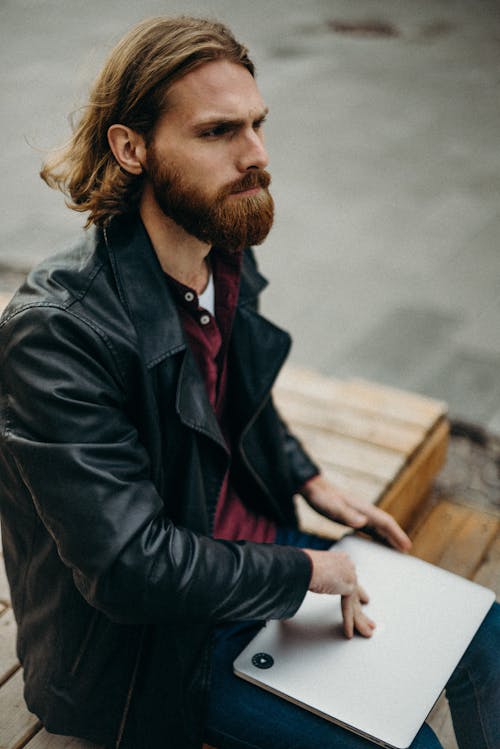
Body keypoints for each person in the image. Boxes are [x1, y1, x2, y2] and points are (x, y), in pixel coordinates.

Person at [0, 16, 497, 749]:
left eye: (258, 125)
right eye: (218, 132)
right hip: (152, 654)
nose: (257, 156)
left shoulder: (219, 251)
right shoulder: (60, 333)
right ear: (130, 146)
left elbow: (229, 392)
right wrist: (305, 571)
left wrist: (307, 474)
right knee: (407, 743)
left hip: (252, 554)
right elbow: (130, 568)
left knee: (482, 628)